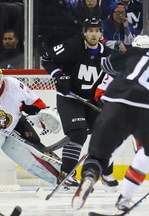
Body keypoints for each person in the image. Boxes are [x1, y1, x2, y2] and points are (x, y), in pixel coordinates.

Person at [71, 34, 149, 211]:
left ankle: (89, 176)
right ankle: (125, 198)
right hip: (144, 106)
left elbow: (106, 65)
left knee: (100, 155)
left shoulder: (132, 54)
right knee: (145, 154)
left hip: (115, 102)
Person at [41, 17, 118, 188]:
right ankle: (66, 173)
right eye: (90, 30)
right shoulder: (73, 46)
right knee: (78, 134)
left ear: (101, 33)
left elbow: (116, 79)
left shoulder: (108, 55)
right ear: (84, 32)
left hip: (92, 100)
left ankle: (106, 171)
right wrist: (58, 75)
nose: (93, 34)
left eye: (97, 30)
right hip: (70, 97)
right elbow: (46, 59)